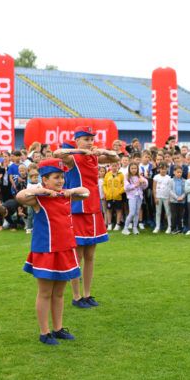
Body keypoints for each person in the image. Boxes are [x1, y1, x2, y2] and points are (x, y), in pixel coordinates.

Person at [16, 159, 89, 344]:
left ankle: (57, 329)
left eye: (62, 177)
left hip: (65, 249)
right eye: (56, 177)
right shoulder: (38, 199)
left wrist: (70, 191)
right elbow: (20, 196)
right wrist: (42, 191)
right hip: (46, 251)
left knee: (59, 293)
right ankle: (44, 332)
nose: (61, 181)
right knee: (45, 293)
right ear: (45, 179)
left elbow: (86, 192)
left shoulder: (65, 195)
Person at [54, 126, 119, 309]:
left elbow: (116, 156)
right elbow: (57, 152)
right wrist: (80, 150)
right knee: (79, 254)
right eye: (86, 139)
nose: (90, 142)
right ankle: (76, 296)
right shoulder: (74, 157)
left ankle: (87, 294)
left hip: (94, 209)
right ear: (77, 141)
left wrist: (101, 151)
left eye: (91, 139)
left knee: (90, 254)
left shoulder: (94, 157)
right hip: (78, 209)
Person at [122, 162, 148, 235]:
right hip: (132, 197)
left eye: (135, 168)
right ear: (129, 169)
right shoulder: (127, 177)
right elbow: (126, 187)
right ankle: (125, 228)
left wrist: (144, 182)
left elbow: (144, 186)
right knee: (132, 212)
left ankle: (135, 228)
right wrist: (135, 185)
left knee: (137, 212)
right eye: (132, 168)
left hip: (139, 196)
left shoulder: (139, 177)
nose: (134, 170)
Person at [104, 161, 125, 231]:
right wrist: (106, 192)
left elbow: (124, 185)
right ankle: (109, 224)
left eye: (115, 166)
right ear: (110, 166)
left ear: (118, 166)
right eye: (113, 166)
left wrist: (120, 192)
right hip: (109, 196)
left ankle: (117, 224)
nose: (114, 167)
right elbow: (104, 185)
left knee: (118, 210)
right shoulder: (107, 175)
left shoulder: (121, 175)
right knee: (109, 210)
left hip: (118, 196)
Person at [153, 163, 172, 233]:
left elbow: (170, 189)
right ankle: (157, 226)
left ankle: (169, 226)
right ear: (159, 169)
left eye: (164, 169)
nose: (163, 170)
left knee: (168, 212)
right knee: (158, 212)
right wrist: (155, 197)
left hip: (166, 197)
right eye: (161, 169)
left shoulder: (169, 178)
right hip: (158, 197)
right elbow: (154, 188)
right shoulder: (156, 177)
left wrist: (170, 198)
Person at [169, 165, 185, 233]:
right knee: (174, 215)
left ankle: (180, 228)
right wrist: (176, 197)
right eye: (177, 172)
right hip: (174, 201)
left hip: (181, 201)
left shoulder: (184, 181)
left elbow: (185, 191)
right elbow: (170, 190)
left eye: (180, 172)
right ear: (174, 172)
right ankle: (173, 228)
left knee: (180, 215)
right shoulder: (171, 180)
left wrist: (182, 197)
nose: (179, 174)